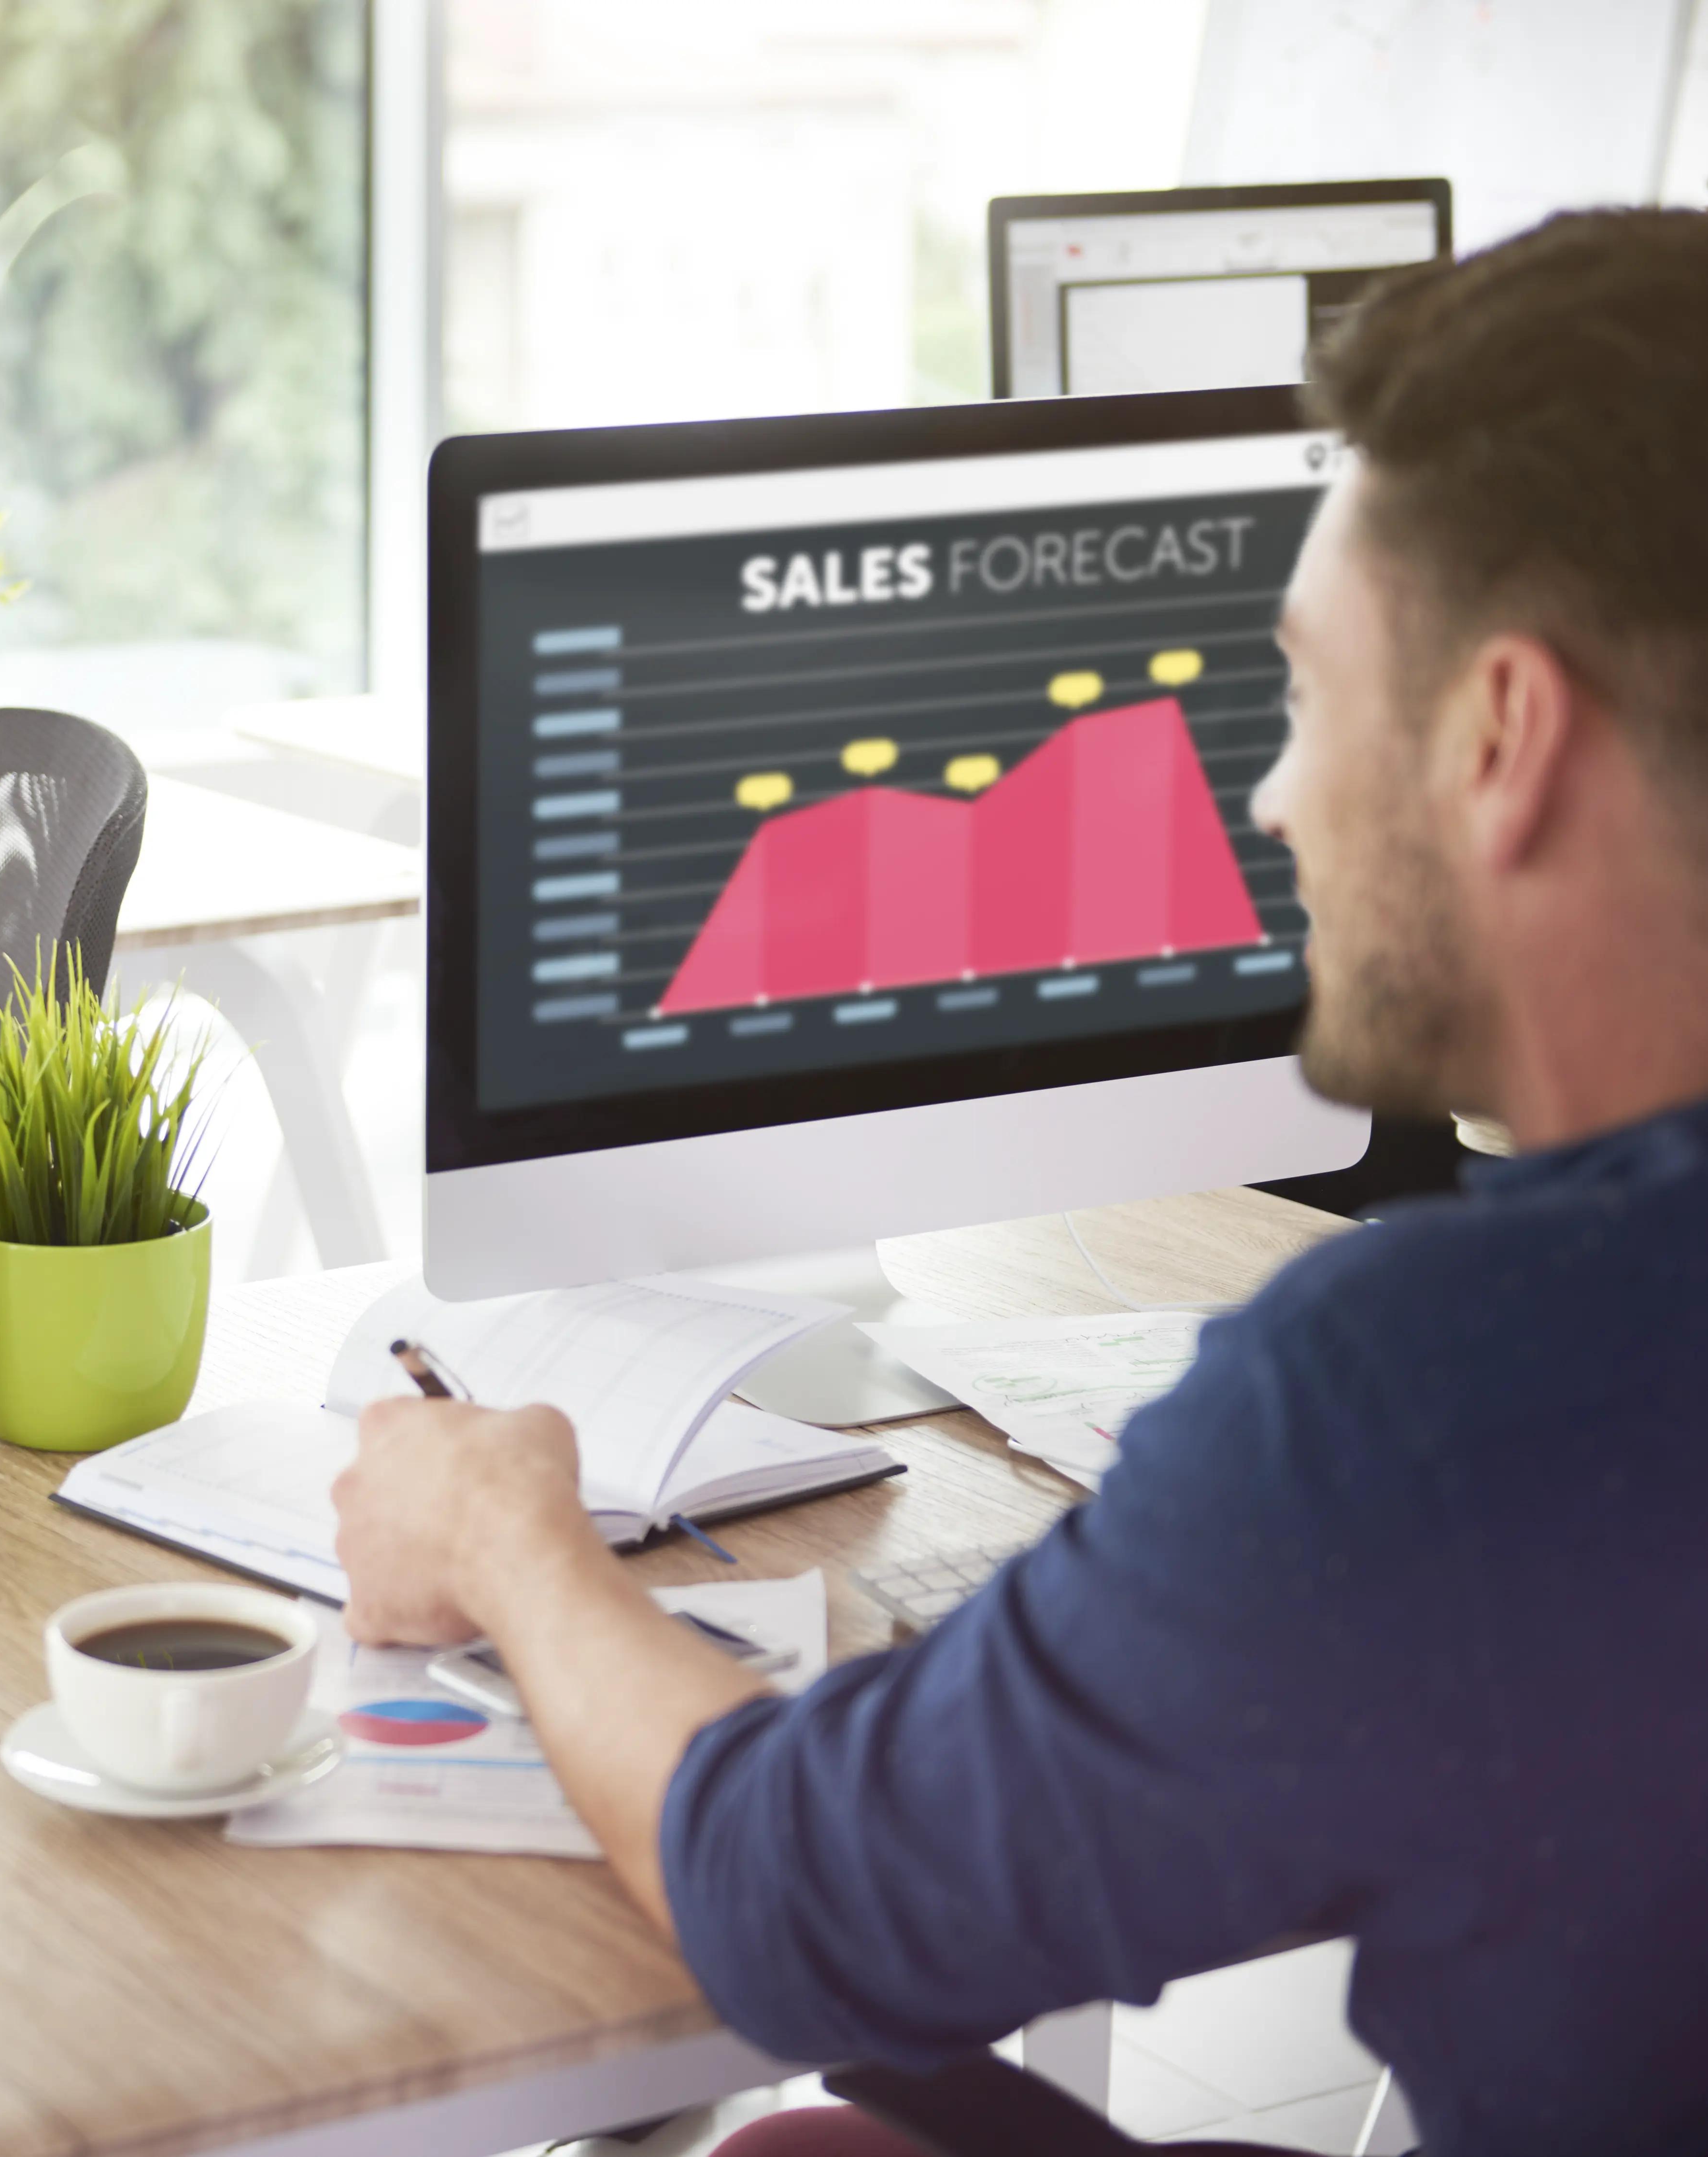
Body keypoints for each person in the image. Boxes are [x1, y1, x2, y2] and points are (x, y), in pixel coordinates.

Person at [333, 208, 1708, 2157]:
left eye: (1307, 697)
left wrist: (506, 1544)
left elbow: (795, 1902)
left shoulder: (1440, 1394)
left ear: (1503, 734)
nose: (1267, 796)